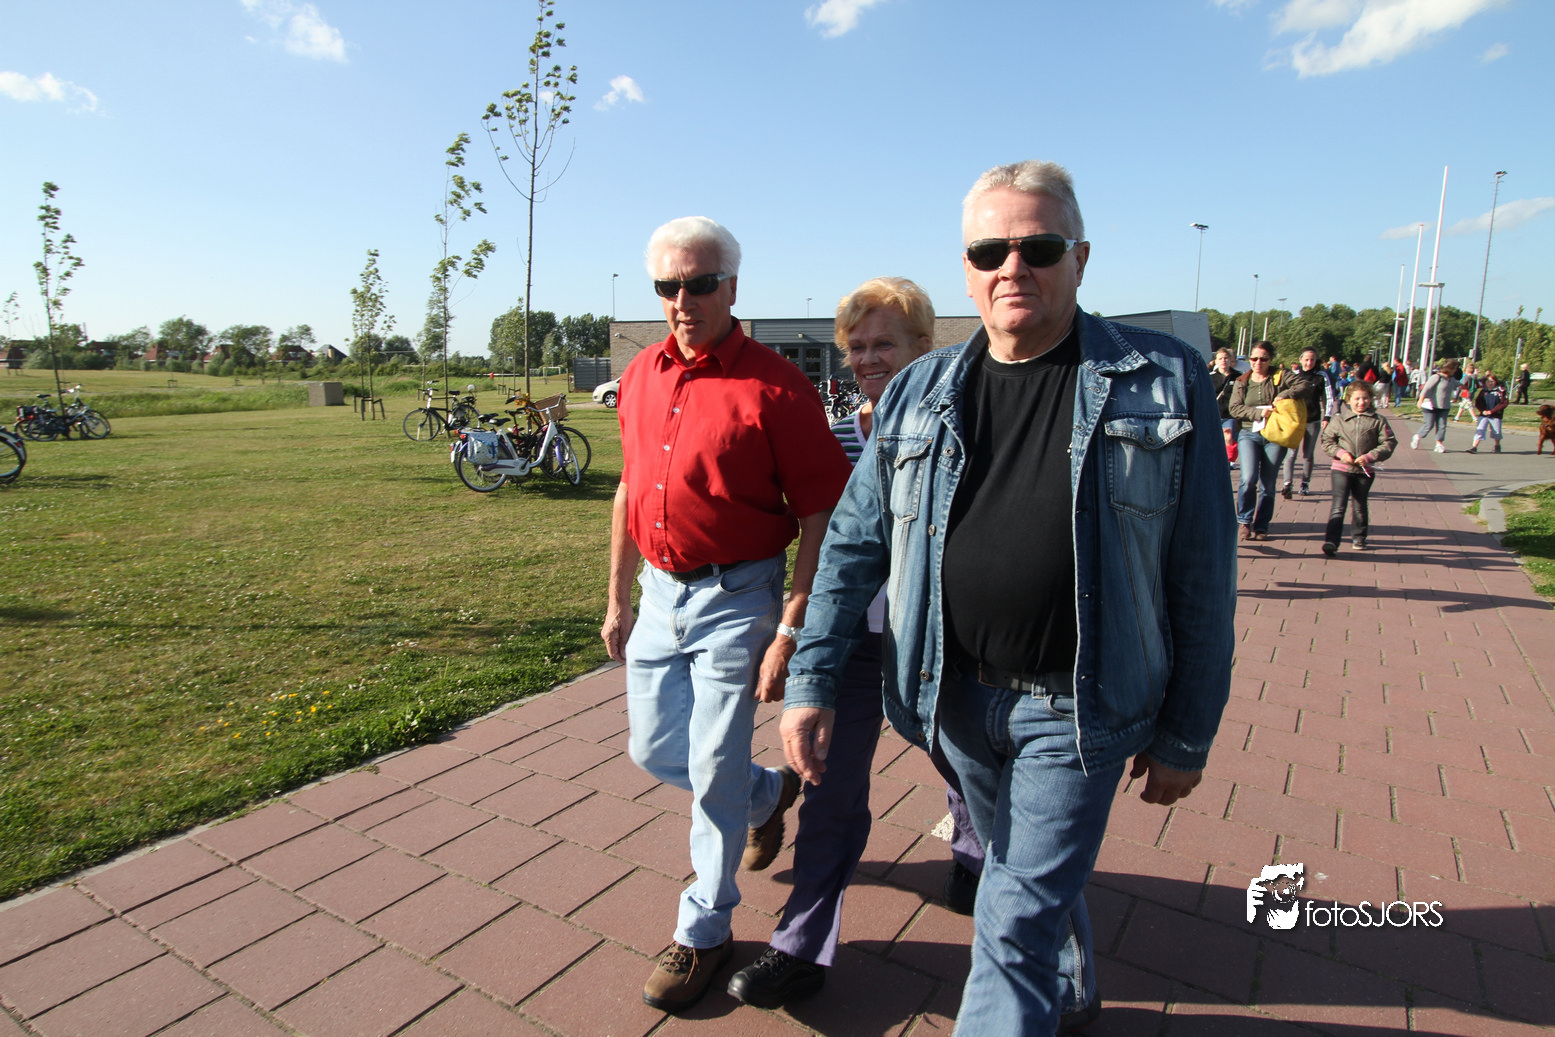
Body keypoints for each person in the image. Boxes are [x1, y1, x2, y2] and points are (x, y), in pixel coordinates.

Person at [779, 160, 1236, 1036]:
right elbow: (852, 547)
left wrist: (1187, 731)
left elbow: (1202, 576)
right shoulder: (919, 389)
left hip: (1078, 705)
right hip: (953, 699)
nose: (1012, 267)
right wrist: (810, 679)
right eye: (990, 250)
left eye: (1040, 247)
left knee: (1011, 915)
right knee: (1019, 878)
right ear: (966, 268)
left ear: (1079, 258)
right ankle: (1074, 989)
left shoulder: (1163, 379)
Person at [602, 215, 853, 1013]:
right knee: (652, 747)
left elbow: (819, 511)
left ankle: (703, 928)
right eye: (667, 286)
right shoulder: (640, 373)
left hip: (737, 595)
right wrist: (615, 595)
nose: (683, 300)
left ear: (732, 287)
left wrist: (790, 625)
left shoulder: (777, 386)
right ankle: (765, 795)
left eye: (700, 283)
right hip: (657, 591)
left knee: (711, 764)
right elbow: (628, 487)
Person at [726, 276, 984, 1007]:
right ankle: (800, 946)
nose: (869, 359)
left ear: (924, 348)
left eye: (885, 344)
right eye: (858, 347)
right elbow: (820, 539)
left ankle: (973, 853)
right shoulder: (838, 438)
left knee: (962, 761)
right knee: (827, 789)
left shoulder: (965, 429)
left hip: (940, 643)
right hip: (851, 645)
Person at [1319, 381, 1397, 555]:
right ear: (1348, 400)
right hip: (1341, 469)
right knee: (1338, 505)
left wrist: (1370, 456)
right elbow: (1327, 440)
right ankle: (1331, 541)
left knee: (1360, 505)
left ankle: (1359, 537)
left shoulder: (1378, 421)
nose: (1361, 402)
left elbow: (1389, 443)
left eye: (1365, 398)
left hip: (1364, 470)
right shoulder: (1339, 420)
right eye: (1357, 399)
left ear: (1371, 399)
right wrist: (1341, 453)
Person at [1230, 342, 1296, 541]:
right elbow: (1235, 408)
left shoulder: (1280, 377)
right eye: (1254, 358)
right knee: (1248, 478)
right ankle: (1244, 520)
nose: (1258, 362)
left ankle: (1262, 526)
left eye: (1263, 359)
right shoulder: (1242, 380)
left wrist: (1283, 394)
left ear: (1271, 360)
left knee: (1268, 483)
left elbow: (1304, 385)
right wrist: (1258, 413)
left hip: (1275, 435)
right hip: (1249, 433)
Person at [1279, 347, 1334, 498]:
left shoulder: (1321, 376)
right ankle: (1287, 484)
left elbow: (1328, 396)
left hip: (1313, 419)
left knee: (1308, 454)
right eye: (1306, 359)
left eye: (1312, 360)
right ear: (1300, 360)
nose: (1309, 363)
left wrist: (1327, 416)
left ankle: (1305, 483)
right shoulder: (1294, 376)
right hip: (1295, 420)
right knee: (1291, 453)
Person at [1411, 359, 1461, 453]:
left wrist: (1466, 385)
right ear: (1449, 368)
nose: (1455, 370)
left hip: (1444, 406)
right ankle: (1417, 437)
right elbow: (1426, 389)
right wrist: (1420, 400)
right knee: (1429, 425)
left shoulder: (1451, 379)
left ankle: (1439, 444)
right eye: (1454, 368)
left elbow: (1458, 385)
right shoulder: (1436, 377)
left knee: (1442, 426)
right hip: (1431, 405)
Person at [1467, 371, 1508, 453]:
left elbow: (1504, 403)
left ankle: (1497, 445)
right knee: (1480, 430)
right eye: (1488, 381)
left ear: (1495, 381)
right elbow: (1478, 402)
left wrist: (1492, 411)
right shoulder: (1483, 391)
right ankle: (1474, 447)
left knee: (1496, 432)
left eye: (1492, 381)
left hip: (1496, 415)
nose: (1490, 383)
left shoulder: (1500, 391)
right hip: (1484, 415)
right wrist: (1483, 410)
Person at [1211, 347, 1239, 464]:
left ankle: (1228, 462)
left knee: (1229, 439)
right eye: (1220, 358)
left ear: (1231, 360)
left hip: (1230, 415)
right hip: (1213, 415)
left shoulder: (1238, 376)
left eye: (1226, 358)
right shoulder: (1210, 377)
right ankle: (1214, 463)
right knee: (1213, 442)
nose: (1223, 361)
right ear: (1216, 361)